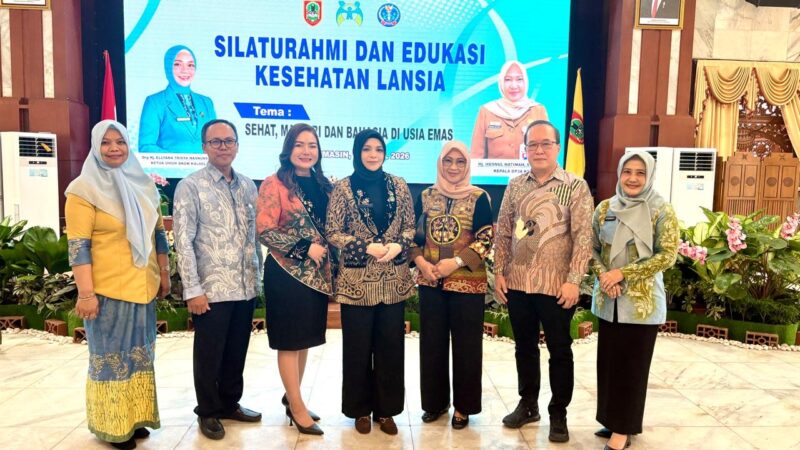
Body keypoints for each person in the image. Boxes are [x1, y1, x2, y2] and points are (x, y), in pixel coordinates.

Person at [65, 120, 170, 450]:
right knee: (111, 359)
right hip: (107, 292)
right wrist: (86, 294)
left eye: (120, 142)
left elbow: (158, 235)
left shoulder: (143, 185)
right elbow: (78, 247)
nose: (114, 148)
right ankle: (112, 425)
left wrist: (164, 274)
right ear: (96, 147)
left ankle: (135, 418)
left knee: (139, 356)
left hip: (144, 288)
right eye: (106, 142)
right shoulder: (82, 190)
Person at [493, 120, 593, 443]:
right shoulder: (515, 185)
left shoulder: (575, 186)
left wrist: (574, 280)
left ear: (557, 147)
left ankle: (558, 412)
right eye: (532, 144)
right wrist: (499, 272)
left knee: (559, 350)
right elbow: (503, 232)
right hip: (518, 283)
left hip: (556, 286)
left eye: (545, 144)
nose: (538, 150)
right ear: (525, 149)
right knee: (524, 347)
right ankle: (528, 404)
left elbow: (583, 237)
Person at [172, 119, 262, 440]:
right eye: (216, 142)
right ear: (204, 147)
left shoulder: (248, 185)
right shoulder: (190, 186)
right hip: (210, 290)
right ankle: (209, 411)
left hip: (244, 286)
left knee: (236, 351)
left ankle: (229, 403)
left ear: (237, 145)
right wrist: (193, 289)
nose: (223, 147)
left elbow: (254, 237)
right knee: (209, 354)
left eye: (229, 141)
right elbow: (183, 241)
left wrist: (257, 279)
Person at [326, 129, 416, 436]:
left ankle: (386, 411)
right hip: (357, 283)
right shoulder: (342, 188)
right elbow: (333, 232)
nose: (373, 154)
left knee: (391, 349)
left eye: (378, 149)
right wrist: (364, 246)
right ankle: (360, 411)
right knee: (358, 349)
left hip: (393, 282)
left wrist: (398, 245)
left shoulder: (399, 185)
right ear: (357, 152)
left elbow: (409, 227)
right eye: (367, 149)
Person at [591, 151, 679, 450]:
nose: (632, 178)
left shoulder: (661, 210)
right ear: (619, 173)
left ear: (649, 176)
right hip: (609, 301)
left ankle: (623, 430)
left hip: (641, 305)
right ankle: (611, 419)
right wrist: (605, 276)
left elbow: (667, 256)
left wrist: (622, 274)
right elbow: (591, 249)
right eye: (627, 171)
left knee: (632, 368)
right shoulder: (605, 208)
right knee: (609, 366)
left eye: (640, 173)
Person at [256, 123, 333, 436]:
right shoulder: (273, 184)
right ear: (288, 149)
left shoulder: (325, 185)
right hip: (286, 274)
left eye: (312, 145)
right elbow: (264, 230)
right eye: (299, 145)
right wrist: (305, 248)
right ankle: (298, 408)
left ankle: (293, 398)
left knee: (304, 340)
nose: (306, 151)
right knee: (289, 341)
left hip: (317, 277)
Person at [411, 140, 493, 429]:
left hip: (467, 284)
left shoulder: (479, 197)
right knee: (431, 345)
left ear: (467, 165)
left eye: (460, 162)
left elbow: (485, 240)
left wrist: (456, 262)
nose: (454, 167)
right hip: (431, 281)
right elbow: (413, 237)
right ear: (440, 163)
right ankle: (435, 403)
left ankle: (464, 407)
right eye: (448, 161)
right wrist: (421, 263)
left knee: (467, 348)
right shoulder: (425, 196)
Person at [139, 45, 216, 154]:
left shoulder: (206, 103)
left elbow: (215, 143)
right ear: (168, 67)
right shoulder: (154, 102)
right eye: (177, 64)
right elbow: (146, 146)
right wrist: (178, 161)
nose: (185, 70)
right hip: (168, 165)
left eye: (190, 65)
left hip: (205, 165)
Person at [471, 60, 549, 160]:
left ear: (525, 81)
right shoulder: (487, 111)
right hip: (494, 171)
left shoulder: (538, 111)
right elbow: (476, 157)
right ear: (501, 82)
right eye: (508, 80)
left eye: (519, 79)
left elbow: (547, 153)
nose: (513, 86)